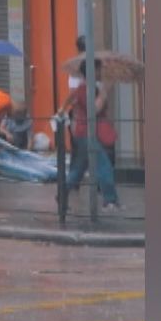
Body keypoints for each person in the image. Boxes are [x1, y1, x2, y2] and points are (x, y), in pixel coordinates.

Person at [62, 61, 122, 212]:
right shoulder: (86, 89)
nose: (101, 72)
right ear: (92, 71)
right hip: (87, 133)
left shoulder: (87, 88)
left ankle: (61, 194)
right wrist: (105, 91)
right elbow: (94, 110)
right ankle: (110, 201)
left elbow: (69, 101)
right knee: (104, 165)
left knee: (78, 169)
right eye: (98, 69)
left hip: (85, 133)